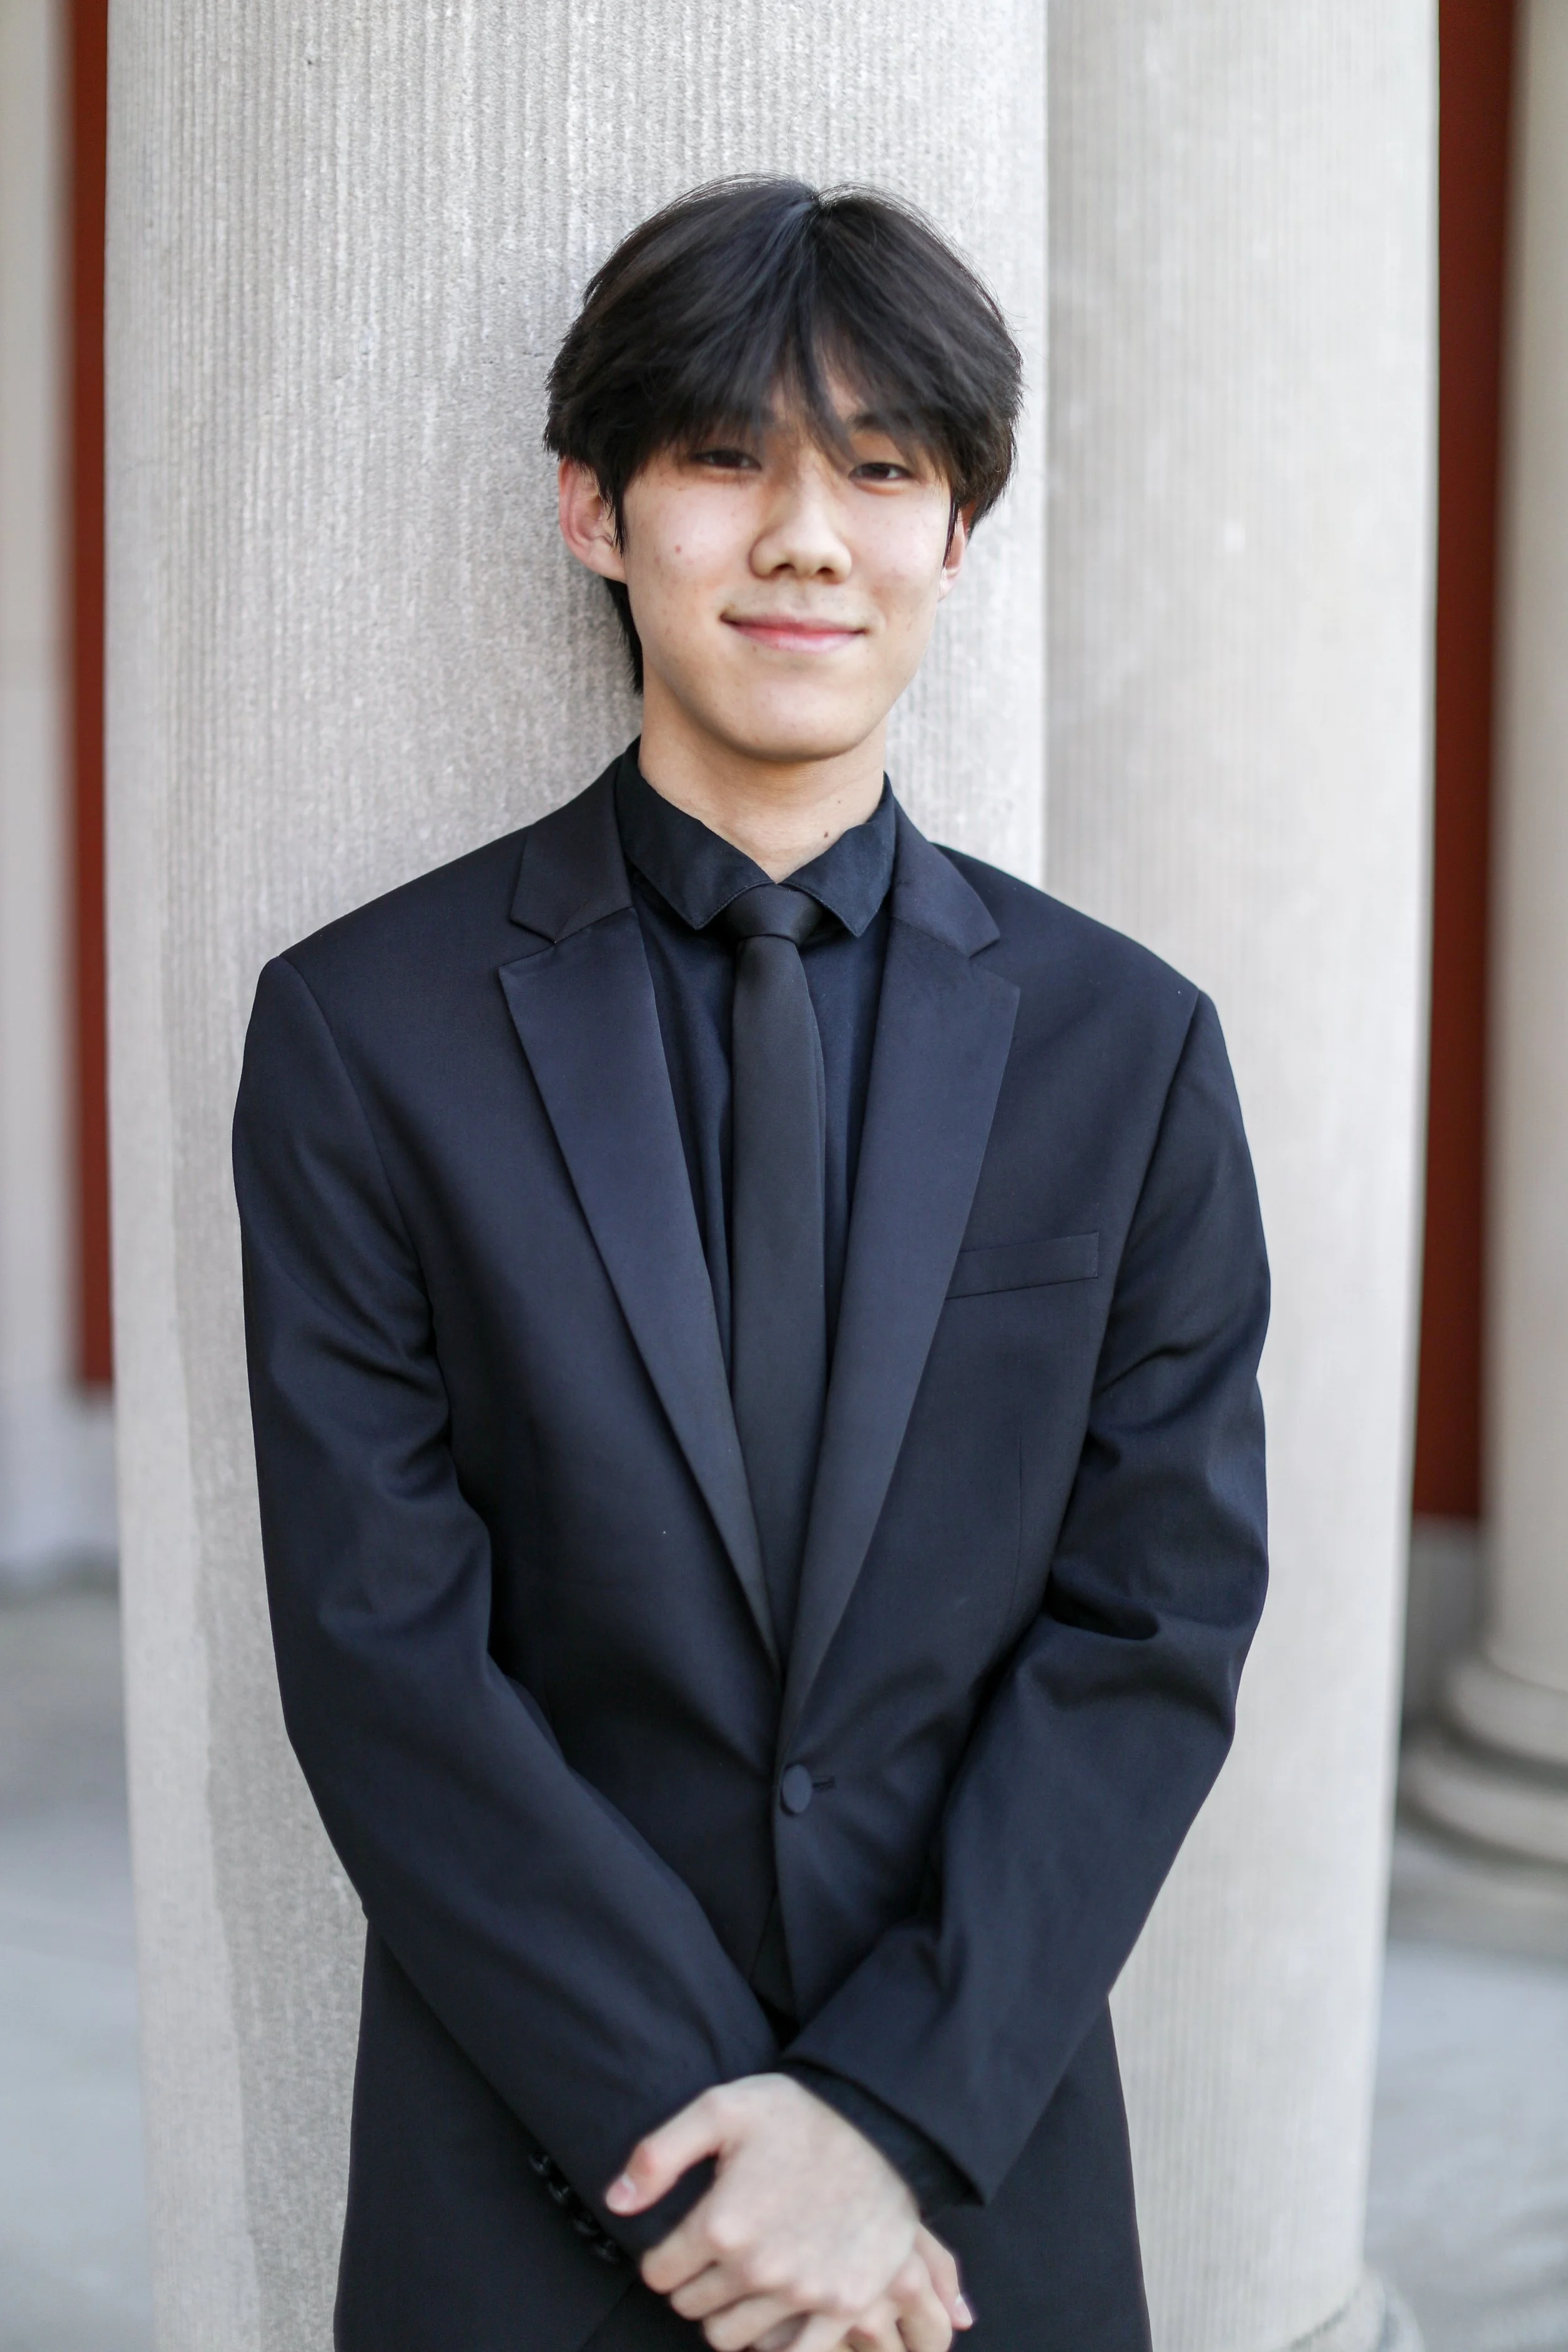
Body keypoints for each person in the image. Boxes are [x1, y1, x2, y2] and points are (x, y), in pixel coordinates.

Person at [233, 178, 1269, 2352]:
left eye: (882, 469)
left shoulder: (1129, 1048)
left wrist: (880, 2116)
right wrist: (721, 2154)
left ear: (954, 537)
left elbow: (1150, 1623)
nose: (809, 534)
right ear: (593, 510)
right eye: (727, 456)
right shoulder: (363, 1032)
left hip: (962, 2171)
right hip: (542, 2153)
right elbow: (380, 1649)